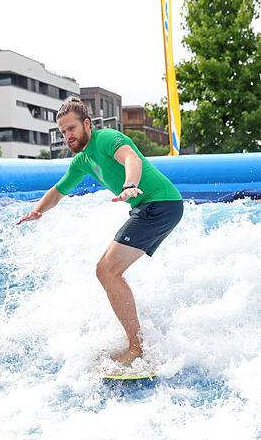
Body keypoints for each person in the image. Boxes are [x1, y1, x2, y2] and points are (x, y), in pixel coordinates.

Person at [17, 97, 184, 364]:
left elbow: (132, 159)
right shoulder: (82, 160)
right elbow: (58, 191)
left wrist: (130, 184)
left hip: (161, 203)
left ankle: (138, 348)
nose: (67, 136)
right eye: (62, 132)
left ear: (87, 124)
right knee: (107, 270)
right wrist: (38, 210)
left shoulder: (106, 138)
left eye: (71, 129)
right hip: (150, 207)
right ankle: (141, 340)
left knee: (106, 269)